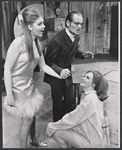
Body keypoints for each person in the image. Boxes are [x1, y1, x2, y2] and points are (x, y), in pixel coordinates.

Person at [3, 7, 62, 148]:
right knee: (27, 120)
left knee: (32, 113)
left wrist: (59, 75)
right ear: (30, 26)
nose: (44, 26)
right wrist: (9, 94)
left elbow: (44, 66)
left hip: (29, 85)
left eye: (43, 23)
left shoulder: (36, 43)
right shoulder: (18, 43)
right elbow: (7, 68)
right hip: (18, 87)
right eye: (40, 24)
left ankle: (34, 139)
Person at [44, 11, 94, 122]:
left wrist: (82, 54)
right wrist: (60, 71)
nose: (79, 27)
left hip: (67, 74)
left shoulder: (76, 37)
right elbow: (48, 62)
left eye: (81, 24)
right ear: (67, 23)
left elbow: (71, 51)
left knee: (70, 101)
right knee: (58, 102)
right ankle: (57, 127)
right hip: (56, 76)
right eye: (76, 23)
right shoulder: (56, 41)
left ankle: (67, 124)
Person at [46, 70, 109, 148]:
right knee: (66, 131)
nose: (83, 78)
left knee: (55, 131)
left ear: (93, 84)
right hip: (96, 137)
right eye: (84, 76)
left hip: (91, 141)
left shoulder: (89, 99)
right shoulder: (94, 96)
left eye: (87, 78)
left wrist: (53, 125)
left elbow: (72, 118)